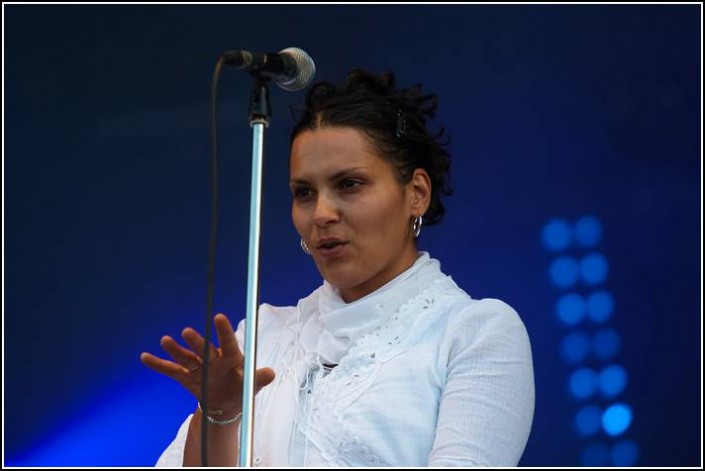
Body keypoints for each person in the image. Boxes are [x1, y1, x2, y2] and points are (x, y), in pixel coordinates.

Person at [140, 69, 535, 467]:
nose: (322, 213)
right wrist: (219, 416)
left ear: (416, 193)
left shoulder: (474, 333)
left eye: (349, 184)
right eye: (304, 193)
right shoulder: (262, 336)